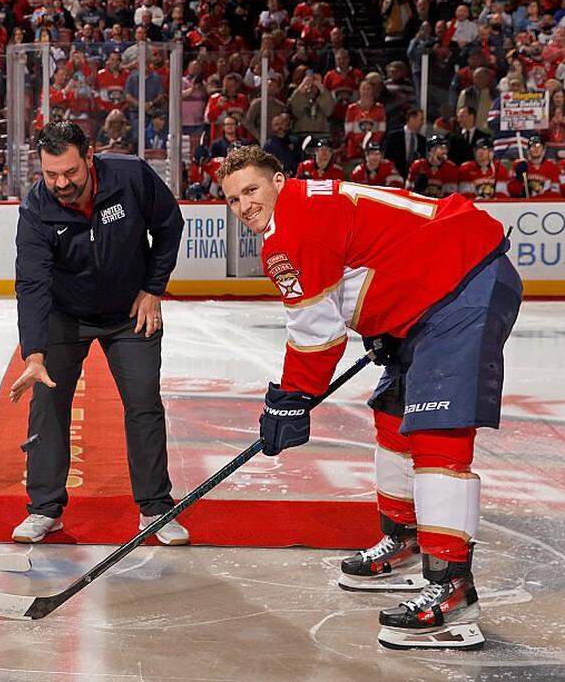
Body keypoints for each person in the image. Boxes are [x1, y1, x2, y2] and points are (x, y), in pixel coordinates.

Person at [217, 145, 521, 651]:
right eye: (232, 199)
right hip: (431, 291)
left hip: (461, 285)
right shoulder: (307, 205)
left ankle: (452, 590)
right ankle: (404, 541)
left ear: (278, 180)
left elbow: (316, 335)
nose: (244, 204)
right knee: (392, 414)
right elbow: (375, 251)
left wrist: (290, 399)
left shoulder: (291, 229)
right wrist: (384, 317)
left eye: (251, 189)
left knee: (435, 433)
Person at [9, 121, 189, 546]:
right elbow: (32, 284)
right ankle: (44, 509)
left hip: (130, 311)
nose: (60, 183)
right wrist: (34, 355)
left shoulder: (129, 177)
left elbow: (169, 225)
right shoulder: (37, 209)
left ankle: (155, 507)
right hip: (65, 314)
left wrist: (153, 290)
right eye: (51, 174)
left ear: (89, 158)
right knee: (48, 401)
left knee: (143, 400)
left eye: (69, 172)